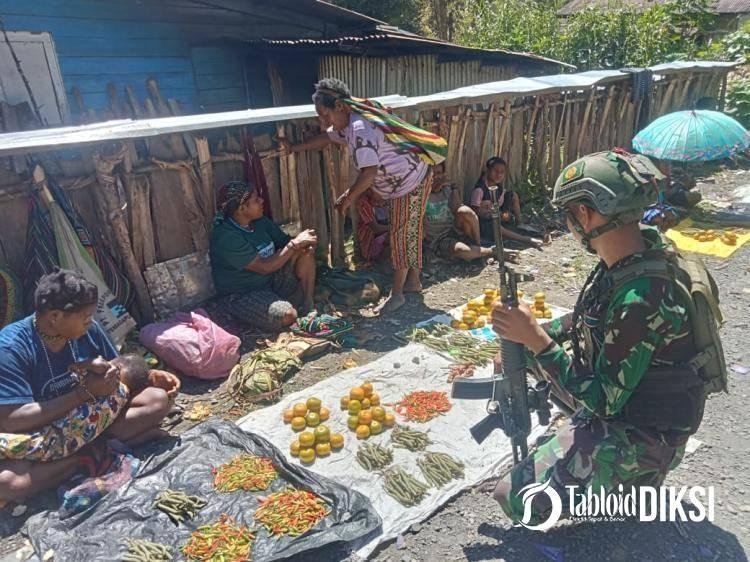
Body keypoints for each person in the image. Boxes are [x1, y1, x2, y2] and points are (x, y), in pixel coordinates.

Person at [490, 150, 717, 525]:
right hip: (633, 398)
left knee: (516, 497)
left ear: (584, 215)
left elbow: (603, 402)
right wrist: (527, 338)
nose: (569, 224)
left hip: (647, 430)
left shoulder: (640, 297)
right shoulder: (636, 255)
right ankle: (596, 456)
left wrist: (537, 340)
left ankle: (635, 481)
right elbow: (589, 320)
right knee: (526, 351)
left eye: (570, 215)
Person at [0, 269, 178, 502]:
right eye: (84, 318)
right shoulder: (11, 349)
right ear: (55, 317)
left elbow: (118, 373)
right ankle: (89, 455)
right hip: (38, 435)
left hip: (93, 419)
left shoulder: (89, 330)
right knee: (8, 483)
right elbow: (10, 419)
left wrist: (149, 376)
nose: (90, 322)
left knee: (156, 399)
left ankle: (86, 452)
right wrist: (82, 394)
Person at [280, 78, 446, 313]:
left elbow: (369, 173)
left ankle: (397, 295)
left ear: (339, 105)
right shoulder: (347, 124)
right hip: (409, 177)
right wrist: (295, 147)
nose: (323, 121)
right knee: (410, 230)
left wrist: (348, 196)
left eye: (325, 115)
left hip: (410, 180)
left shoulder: (360, 129)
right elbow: (327, 138)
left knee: (401, 233)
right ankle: (413, 282)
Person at [210, 181, 318, 332]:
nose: (262, 201)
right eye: (255, 200)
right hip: (243, 294)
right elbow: (264, 267)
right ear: (241, 209)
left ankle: (308, 302)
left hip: (271, 280)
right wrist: (295, 244)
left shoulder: (260, 222)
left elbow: (286, 244)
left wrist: (303, 244)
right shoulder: (227, 236)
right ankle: (287, 303)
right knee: (289, 315)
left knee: (305, 251)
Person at [472, 157, 548, 248]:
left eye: (502, 172)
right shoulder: (480, 190)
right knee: (496, 226)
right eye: (495, 171)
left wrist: (505, 213)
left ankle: (519, 223)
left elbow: (503, 204)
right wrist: (488, 214)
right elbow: (474, 213)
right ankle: (526, 240)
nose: (499, 175)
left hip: (498, 217)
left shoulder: (499, 189)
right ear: (488, 171)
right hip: (485, 223)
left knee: (512, 195)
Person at [425, 164, 495, 262]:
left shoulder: (446, 189)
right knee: (464, 251)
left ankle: (478, 246)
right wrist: (428, 190)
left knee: (465, 211)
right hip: (438, 239)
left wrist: (453, 187)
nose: (435, 177)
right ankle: (491, 251)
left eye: (439, 173)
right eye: (431, 174)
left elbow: (457, 208)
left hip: (454, 230)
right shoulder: (421, 194)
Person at [356, 190, 390, 263]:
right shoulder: (364, 203)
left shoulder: (389, 198)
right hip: (372, 243)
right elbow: (375, 228)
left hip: (387, 234)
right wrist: (395, 228)